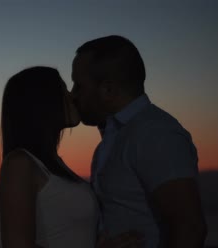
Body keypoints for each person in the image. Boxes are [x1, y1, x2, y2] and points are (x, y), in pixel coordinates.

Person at [70, 35, 208, 248]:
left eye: (78, 86)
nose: (73, 95)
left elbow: (190, 229)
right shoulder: (116, 138)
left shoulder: (155, 133)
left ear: (108, 89)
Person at [0, 66, 142, 248]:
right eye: (63, 89)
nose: (72, 96)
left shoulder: (53, 164)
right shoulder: (19, 163)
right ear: (42, 102)